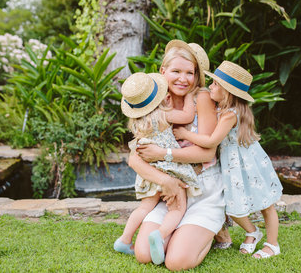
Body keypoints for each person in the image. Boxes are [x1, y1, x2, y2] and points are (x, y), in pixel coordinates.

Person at [128, 40, 226, 270]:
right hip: (170, 193)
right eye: (176, 71)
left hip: (202, 191)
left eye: (190, 73)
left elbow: (207, 151)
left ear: (197, 75)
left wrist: (163, 153)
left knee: (176, 262)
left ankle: (210, 232)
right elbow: (135, 157)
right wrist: (166, 181)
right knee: (144, 255)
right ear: (163, 72)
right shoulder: (154, 100)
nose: (183, 79)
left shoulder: (200, 98)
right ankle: (180, 233)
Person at [173, 60, 283, 259]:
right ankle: (252, 232)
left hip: (247, 166)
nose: (210, 87)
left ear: (227, 91)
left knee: (266, 205)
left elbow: (211, 140)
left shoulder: (230, 114)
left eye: (215, 84)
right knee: (232, 206)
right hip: (233, 167)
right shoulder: (221, 109)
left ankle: (272, 245)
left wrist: (184, 134)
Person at [114, 72, 201, 265]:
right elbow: (188, 115)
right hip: (170, 170)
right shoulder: (164, 115)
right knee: (178, 208)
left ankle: (125, 239)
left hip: (149, 175)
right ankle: (159, 235)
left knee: (145, 207)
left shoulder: (136, 123)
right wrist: (189, 94)